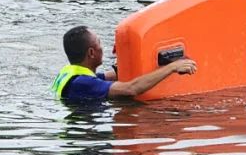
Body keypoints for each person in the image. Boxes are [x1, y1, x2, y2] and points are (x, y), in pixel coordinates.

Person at [52, 26, 197, 102]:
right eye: (99, 43)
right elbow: (131, 89)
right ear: (91, 53)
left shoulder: (72, 73)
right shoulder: (83, 83)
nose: (103, 47)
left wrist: (125, 53)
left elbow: (116, 75)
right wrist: (172, 67)